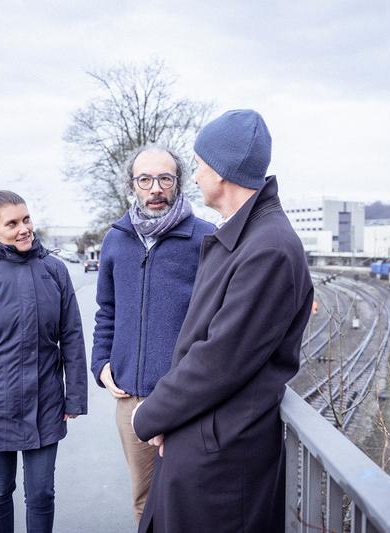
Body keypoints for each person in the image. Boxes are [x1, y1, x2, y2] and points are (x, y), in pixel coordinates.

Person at [132, 109, 314, 532]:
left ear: (222, 171)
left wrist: (150, 415)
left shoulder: (268, 248)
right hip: (207, 441)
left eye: (197, 165)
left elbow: (218, 359)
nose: (193, 177)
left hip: (222, 460)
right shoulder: (248, 237)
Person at [0, 190, 87, 533]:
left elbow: (71, 336)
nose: (24, 228)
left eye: (26, 219)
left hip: (46, 401)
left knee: (41, 494)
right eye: (12, 223)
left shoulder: (54, 270)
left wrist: (75, 396)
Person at [91, 145, 215, 524]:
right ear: (133, 185)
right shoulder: (116, 239)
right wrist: (101, 364)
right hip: (130, 400)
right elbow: (106, 310)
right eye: (145, 179)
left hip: (184, 400)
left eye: (165, 178)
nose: (155, 188)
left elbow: (215, 319)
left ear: (178, 183)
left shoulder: (206, 239)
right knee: (144, 504)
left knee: (189, 504)